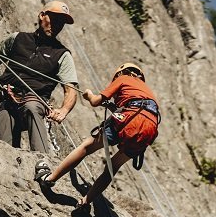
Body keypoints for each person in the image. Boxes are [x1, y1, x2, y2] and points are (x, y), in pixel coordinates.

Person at [34, 62, 160, 207]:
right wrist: (112, 107)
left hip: (131, 119)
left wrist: (89, 95)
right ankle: (85, 202)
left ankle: (49, 179)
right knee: (113, 166)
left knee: (87, 147)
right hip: (149, 129)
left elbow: (95, 101)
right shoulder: (147, 91)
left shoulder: (123, 79)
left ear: (121, 73)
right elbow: (139, 110)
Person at [0, 1, 78, 153]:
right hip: (7, 98)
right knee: (2, 140)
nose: (57, 25)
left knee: (32, 108)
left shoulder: (62, 54)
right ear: (42, 15)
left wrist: (64, 110)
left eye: (61, 23)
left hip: (34, 101)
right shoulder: (17, 39)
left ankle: (43, 161)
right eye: (54, 20)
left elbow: (71, 89)